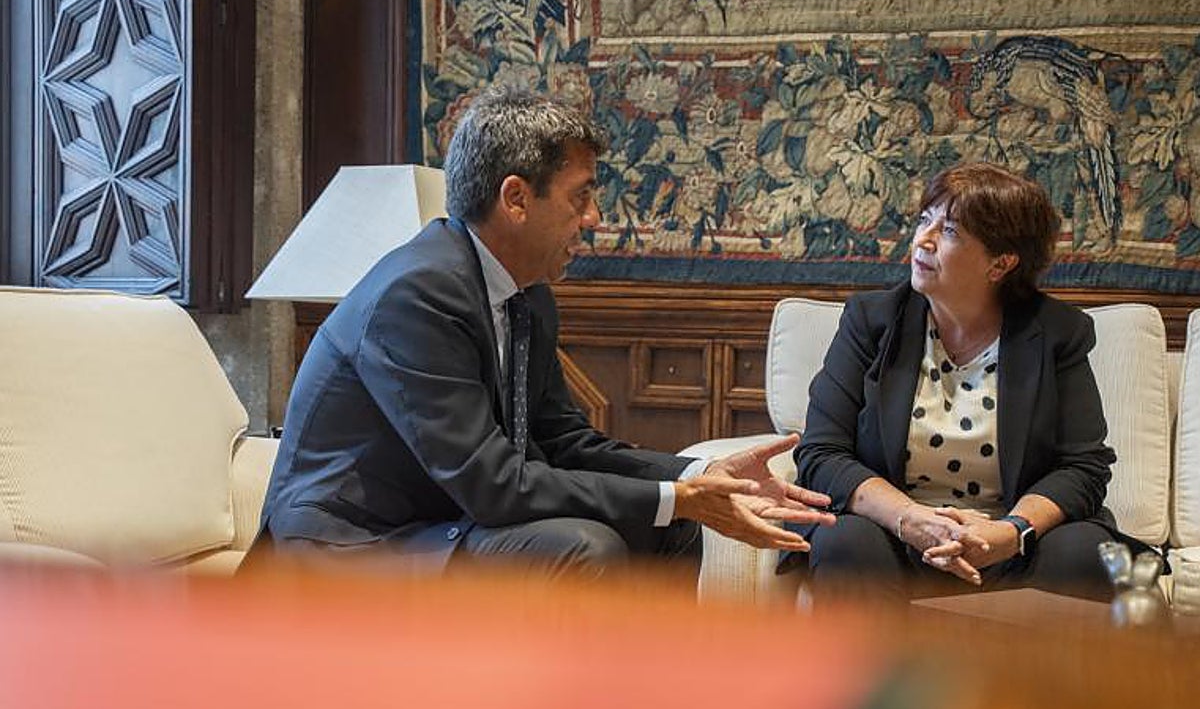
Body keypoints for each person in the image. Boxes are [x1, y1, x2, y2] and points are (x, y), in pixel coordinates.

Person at [244, 87, 833, 581]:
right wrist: (677, 497)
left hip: (440, 523)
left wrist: (693, 478)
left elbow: (566, 442)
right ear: (516, 199)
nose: (595, 218)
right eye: (582, 195)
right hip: (354, 547)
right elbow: (493, 485)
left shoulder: (525, 293)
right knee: (583, 548)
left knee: (670, 529)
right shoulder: (418, 294)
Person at [789, 161, 1132, 603]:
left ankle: (1032, 675)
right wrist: (911, 520)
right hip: (892, 535)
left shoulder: (1058, 334)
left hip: (1006, 543)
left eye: (949, 231)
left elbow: (1084, 467)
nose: (922, 241)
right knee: (843, 540)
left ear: (1001, 263)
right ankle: (877, 674)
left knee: (1086, 553)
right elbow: (821, 453)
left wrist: (1011, 531)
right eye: (924, 220)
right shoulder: (870, 322)